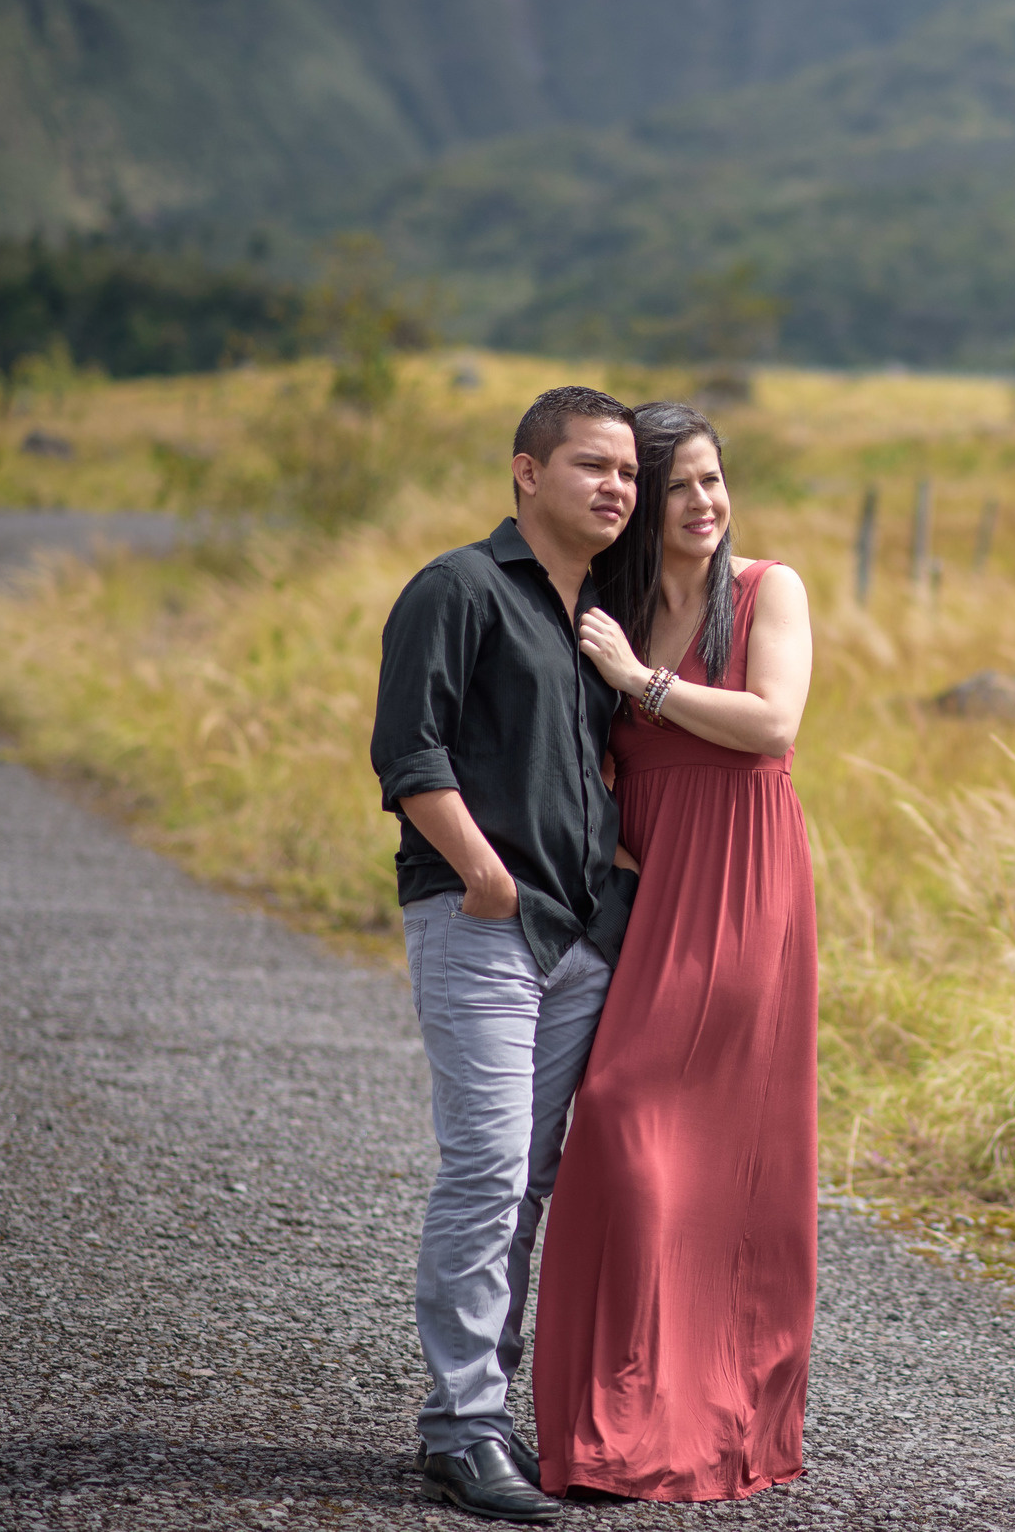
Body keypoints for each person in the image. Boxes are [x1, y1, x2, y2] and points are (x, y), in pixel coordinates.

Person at [531, 399, 820, 1501]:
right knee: (625, 1135)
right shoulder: (609, 606)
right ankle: (617, 1418)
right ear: (644, 506)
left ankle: (717, 1415)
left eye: (714, 480)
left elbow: (772, 722)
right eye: (682, 486)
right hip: (647, 890)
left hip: (743, 882)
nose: (706, 502)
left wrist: (639, 682)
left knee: (651, 1121)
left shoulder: (765, 590)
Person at [369, 386, 643, 1524]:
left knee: (530, 1178)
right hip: (482, 921)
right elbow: (407, 745)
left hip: (577, 937)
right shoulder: (459, 586)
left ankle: (489, 1408)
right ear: (526, 471)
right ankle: (461, 1429)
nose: (616, 487)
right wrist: (483, 873)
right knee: (486, 1170)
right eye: (591, 464)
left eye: (628, 470)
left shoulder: (597, 622)